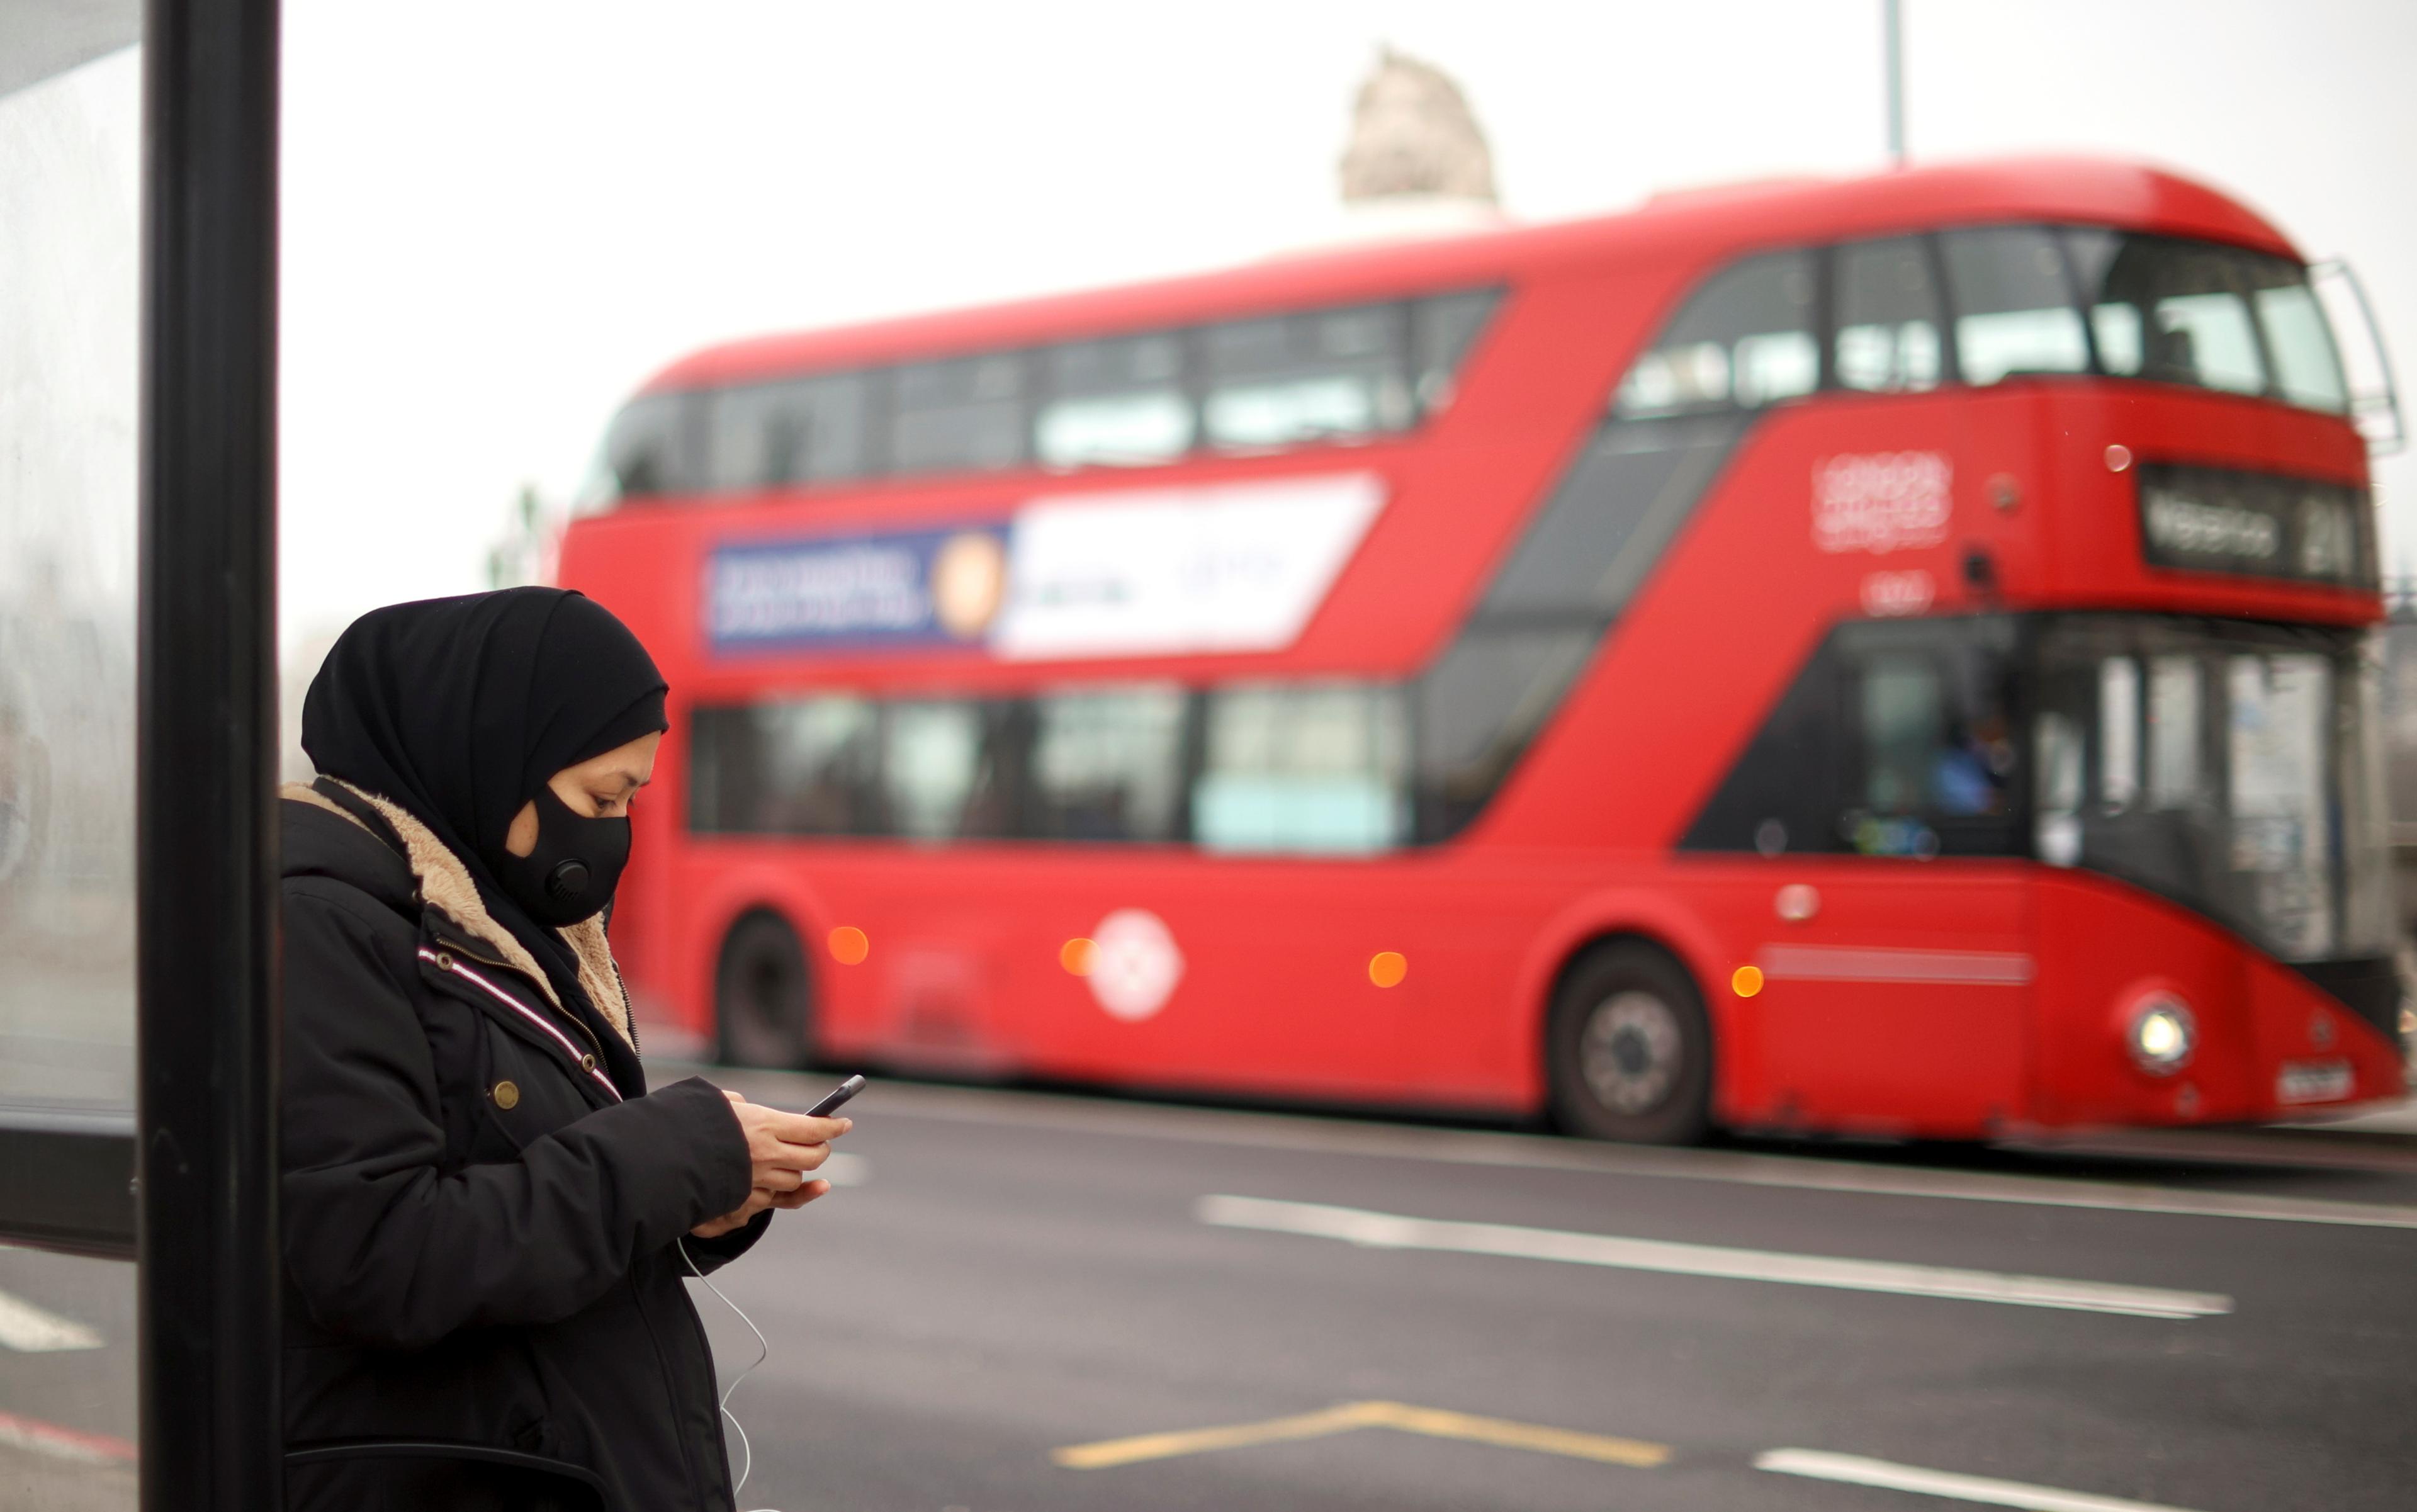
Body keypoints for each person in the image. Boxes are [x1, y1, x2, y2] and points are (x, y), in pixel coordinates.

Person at [278, 587, 847, 1511]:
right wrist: (670, 1152)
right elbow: (382, 1257)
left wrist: (700, 1192)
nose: (612, 832)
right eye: (598, 795)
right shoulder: (323, 923)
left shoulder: (502, 922)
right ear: (498, 755)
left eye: (629, 798)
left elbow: (535, 1187)